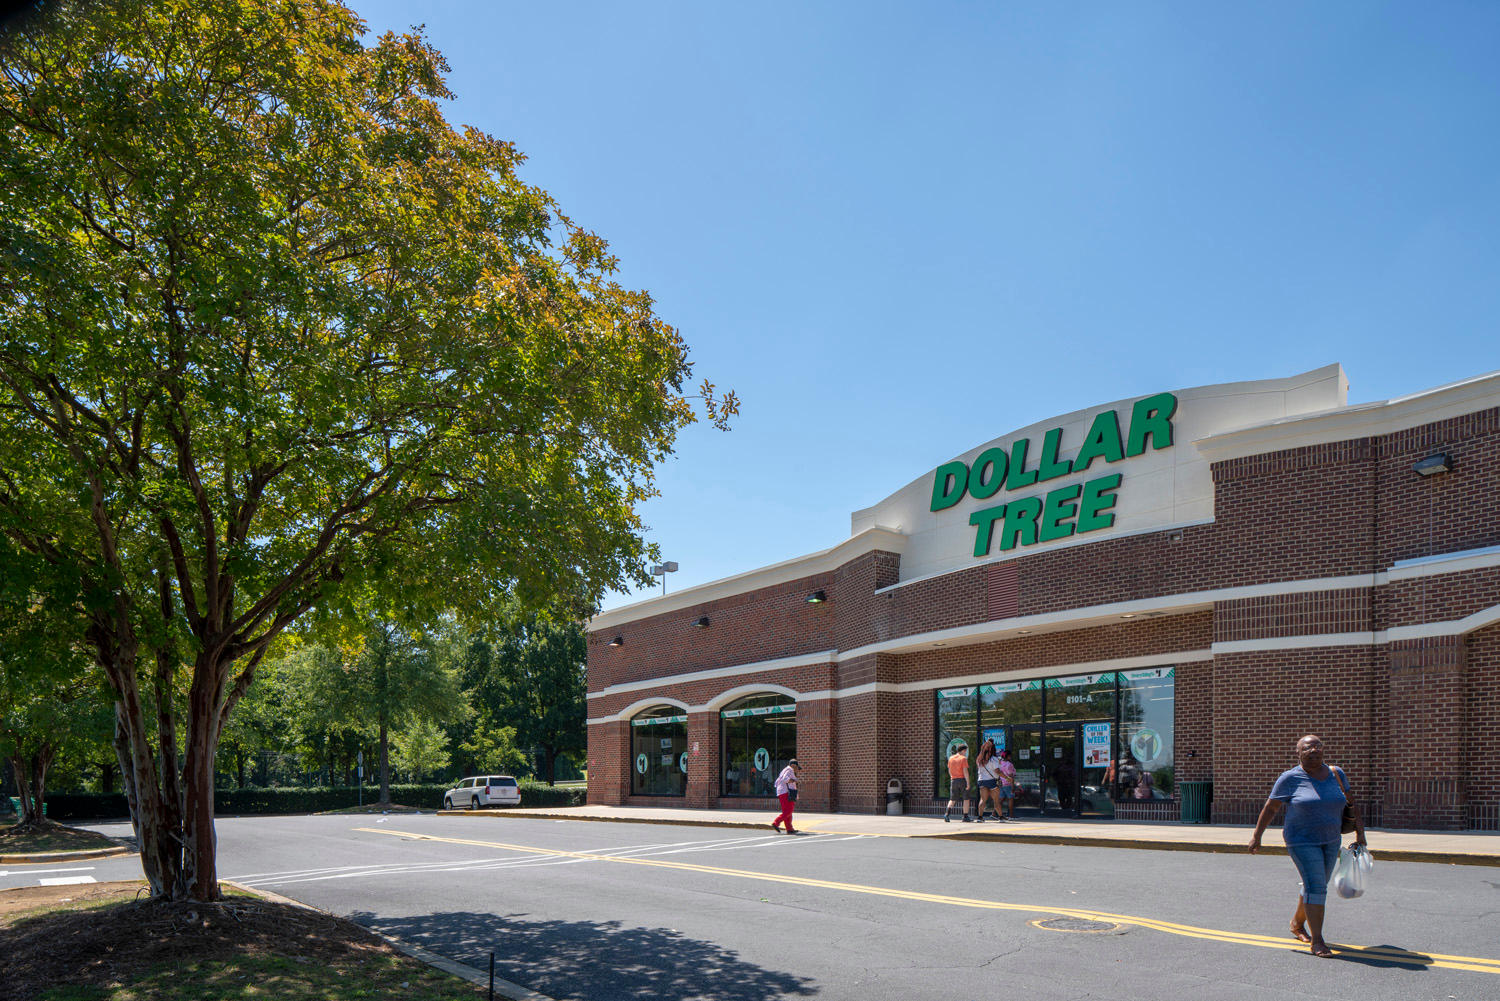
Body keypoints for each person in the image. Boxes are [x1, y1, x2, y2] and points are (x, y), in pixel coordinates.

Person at [1249, 734, 1367, 958]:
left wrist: (1360, 833)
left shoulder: (1336, 773)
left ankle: (1296, 923)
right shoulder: (1289, 778)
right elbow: (1271, 808)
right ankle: (1318, 940)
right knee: (1317, 887)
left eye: (1317, 746)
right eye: (1307, 747)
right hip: (1301, 840)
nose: (1314, 750)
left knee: (1316, 883)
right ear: (1298, 753)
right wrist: (1257, 836)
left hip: (1331, 839)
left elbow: (1352, 803)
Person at [771, 757, 801, 834]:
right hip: (786, 792)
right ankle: (776, 822)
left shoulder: (786, 770)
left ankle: (789, 829)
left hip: (782, 792)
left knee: (787, 811)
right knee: (789, 810)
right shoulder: (789, 769)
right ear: (793, 765)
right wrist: (794, 780)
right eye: (797, 767)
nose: (797, 770)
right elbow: (785, 779)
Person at [975, 739, 1002, 821]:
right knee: (996, 800)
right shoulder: (994, 759)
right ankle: (1001, 816)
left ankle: (980, 817)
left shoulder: (979, 759)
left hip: (982, 780)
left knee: (983, 800)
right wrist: (1007, 778)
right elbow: (997, 771)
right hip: (992, 781)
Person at [944, 742, 972, 822]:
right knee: (966, 799)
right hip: (962, 780)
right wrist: (968, 783)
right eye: (965, 751)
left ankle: (947, 814)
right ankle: (965, 817)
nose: (965, 752)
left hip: (953, 780)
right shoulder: (963, 759)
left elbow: (949, 770)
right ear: (963, 750)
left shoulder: (951, 758)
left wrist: (952, 778)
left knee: (952, 799)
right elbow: (965, 771)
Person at [996, 748, 1016, 819]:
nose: (1011, 757)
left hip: (1002, 783)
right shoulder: (1009, 764)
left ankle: (995, 814)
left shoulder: (1000, 762)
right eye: (1010, 756)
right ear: (1008, 756)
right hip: (1008, 784)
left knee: (1000, 800)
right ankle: (1011, 815)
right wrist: (1013, 786)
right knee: (1010, 799)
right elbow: (1011, 776)